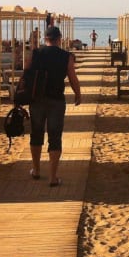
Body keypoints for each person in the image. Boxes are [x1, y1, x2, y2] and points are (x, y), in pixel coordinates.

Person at [27, 25, 81, 187]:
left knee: (36, 134)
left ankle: (36, 170)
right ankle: (52, 177)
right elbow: (72, 77)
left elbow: (26, 73)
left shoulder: (35, 53)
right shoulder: (66, 56)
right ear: (59, 39)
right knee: (55, 137)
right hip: (56, 100)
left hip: (37, 99)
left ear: (45, 38)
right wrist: (78, 94)